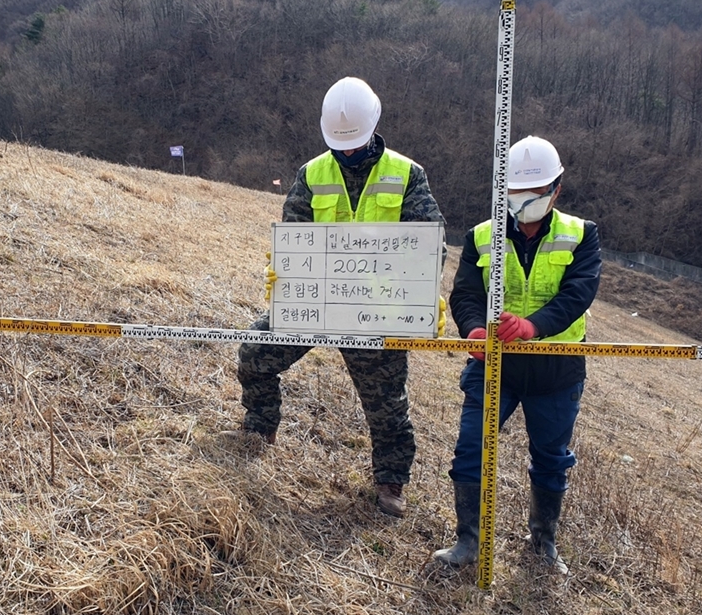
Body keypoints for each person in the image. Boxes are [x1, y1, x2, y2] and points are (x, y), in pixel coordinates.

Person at [224, 76, 446, 518]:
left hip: (376, 312)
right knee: (254, 353)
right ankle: (259, 428)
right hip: (315, 303)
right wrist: (284, 270)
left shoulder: (407, 174)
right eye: (340, 145)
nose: (347, 152)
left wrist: (417, 292)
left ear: (374, 126)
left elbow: (430, 245)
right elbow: (295, 232)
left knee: (387, 406)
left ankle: (390, 480)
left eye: (354, 144)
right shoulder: (312, 174)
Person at [432, 135, 601, 574]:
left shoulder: (581, 235)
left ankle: (544, 541)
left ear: (556, 189)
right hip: (494, 368)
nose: (523, 202)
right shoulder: (481, 236)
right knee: (471, 448)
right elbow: (466, 294)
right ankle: (467, 541)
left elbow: (577, 294)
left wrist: (532, 326)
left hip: (555, 371)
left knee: (551, 458)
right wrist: (473, 330)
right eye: (515, 192)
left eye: (534, 192)